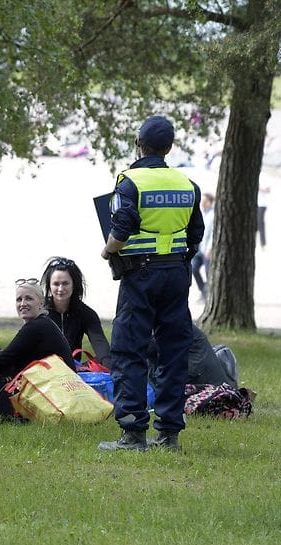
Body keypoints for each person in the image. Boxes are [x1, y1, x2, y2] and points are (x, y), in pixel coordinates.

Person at [98, 115, 204, 452]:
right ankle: (169, 435)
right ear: (169, 147)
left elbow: (122, 227)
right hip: (176, 274)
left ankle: (133, 433)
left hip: (140, 275)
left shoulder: (130, 181)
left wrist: (108, 250)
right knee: (173, 352)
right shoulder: (187, 184)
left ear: (138, 144)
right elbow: (196, 234)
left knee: (130, 349)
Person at [0, 280, 73, 415]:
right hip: (57, 389)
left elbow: (4, 359)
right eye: (19, 299)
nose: (23, 304)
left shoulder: (35, 327)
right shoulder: (44, 323)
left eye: (29, 298)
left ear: (41, 302)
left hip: (53, 394)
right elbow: (12, 357)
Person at [38, 257, 111, 368]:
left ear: (74, 284)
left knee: (113, 356)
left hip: (74, 370)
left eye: (65, 283)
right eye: (56, 284)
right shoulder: (39, 311)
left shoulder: (86, 313)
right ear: (49, 286)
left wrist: (110, 369)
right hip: (42, 369)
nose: (60, 289)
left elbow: (102, 347)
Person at [191, 193, 214, 301]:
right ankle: (203, 290)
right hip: (199, 249)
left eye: (204, 201)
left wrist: (209, 249)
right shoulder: (201, 213)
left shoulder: (213, 215)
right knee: (194, 269)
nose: (202, 203)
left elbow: (213, 233)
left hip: (207, 250)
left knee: (208, 272)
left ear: (209, 202)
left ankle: (209, 294)